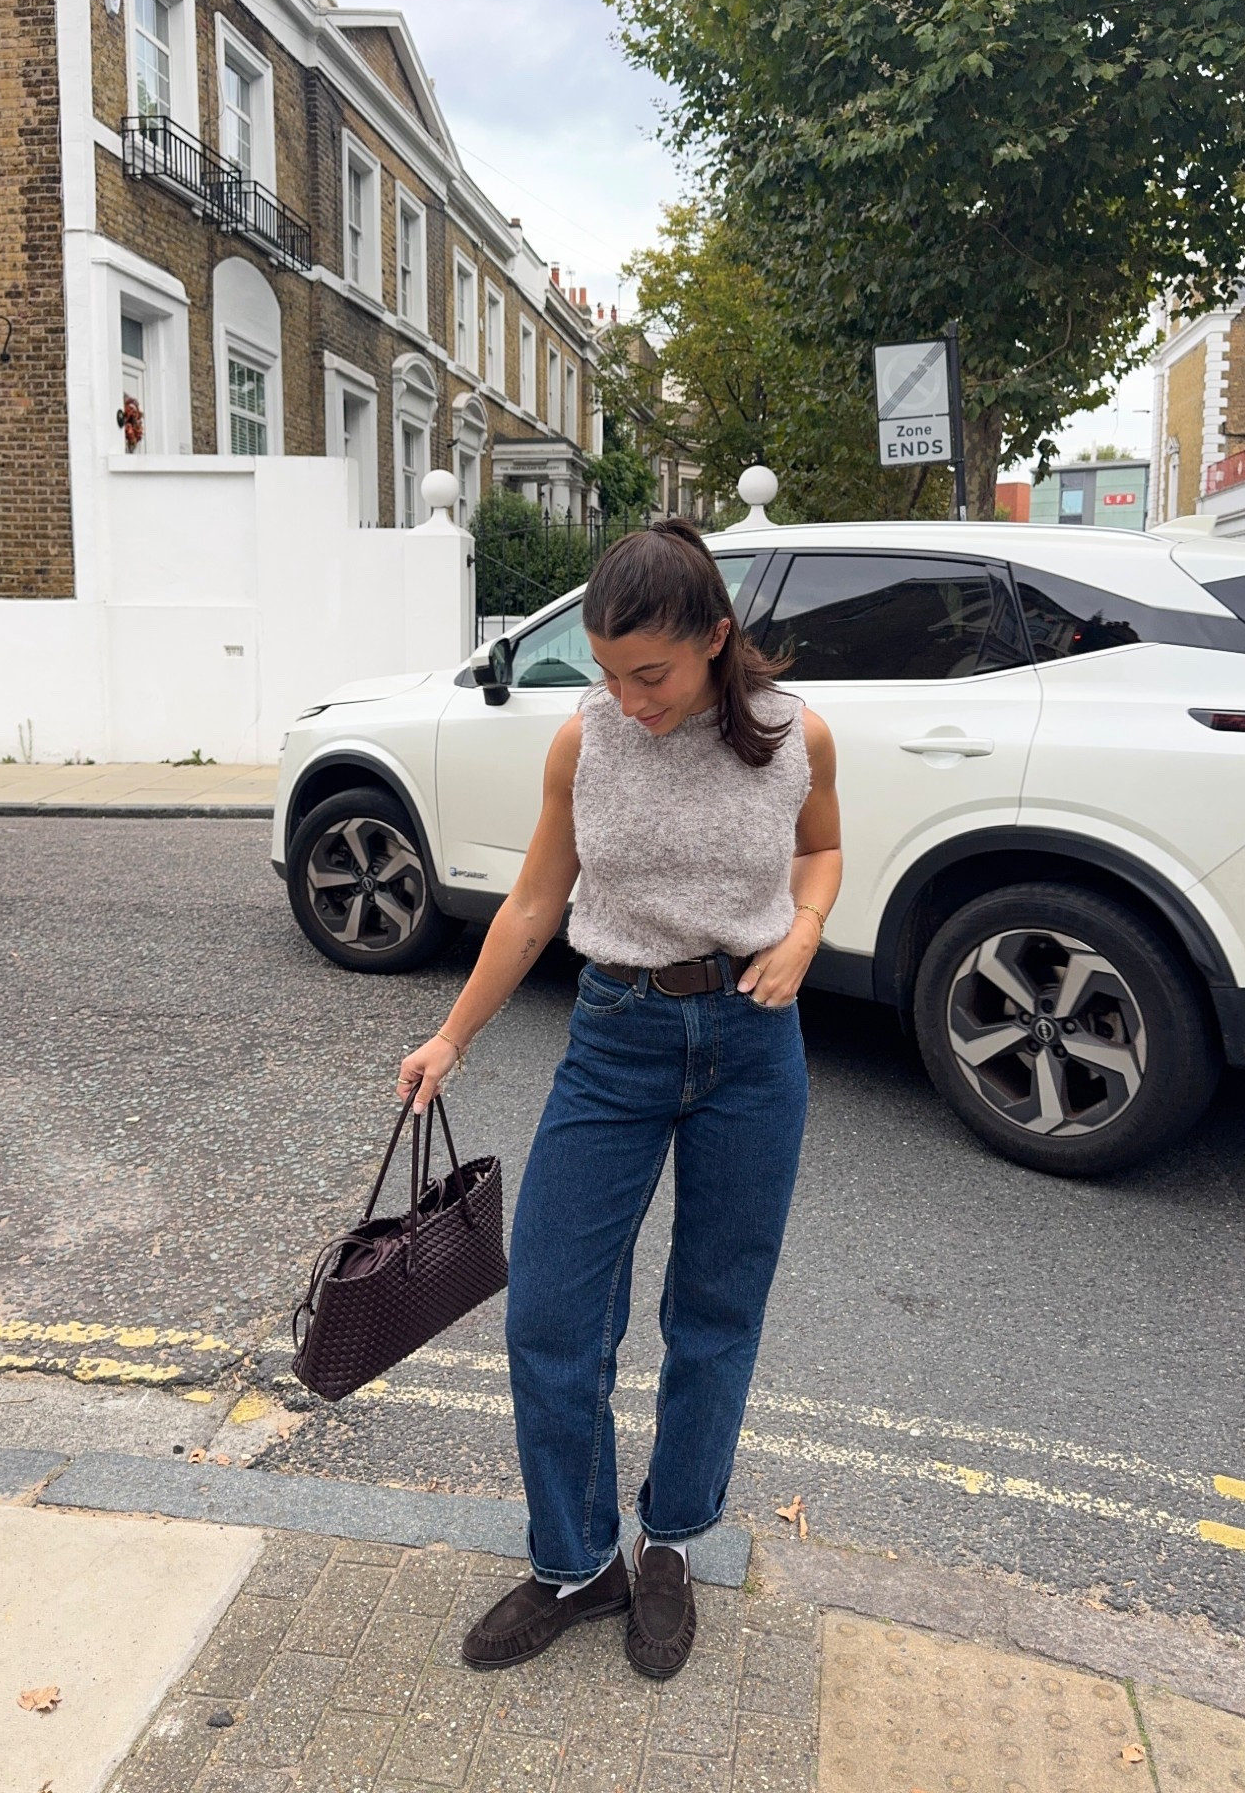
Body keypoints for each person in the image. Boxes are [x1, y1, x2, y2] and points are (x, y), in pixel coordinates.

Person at [396, 518, 841, 1680]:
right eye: (607, 671)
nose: (628, 696)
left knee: (714, 1310)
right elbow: (535, 904)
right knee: (549, 1307)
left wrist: (803, 931)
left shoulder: (800, 737)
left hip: (753, 1041)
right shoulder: (582, 742)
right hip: (616, 1035)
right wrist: (452, 1035)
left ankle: (672, 1543)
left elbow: (823, 852)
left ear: (715, 637)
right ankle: (575, 1557)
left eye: (651, 673)